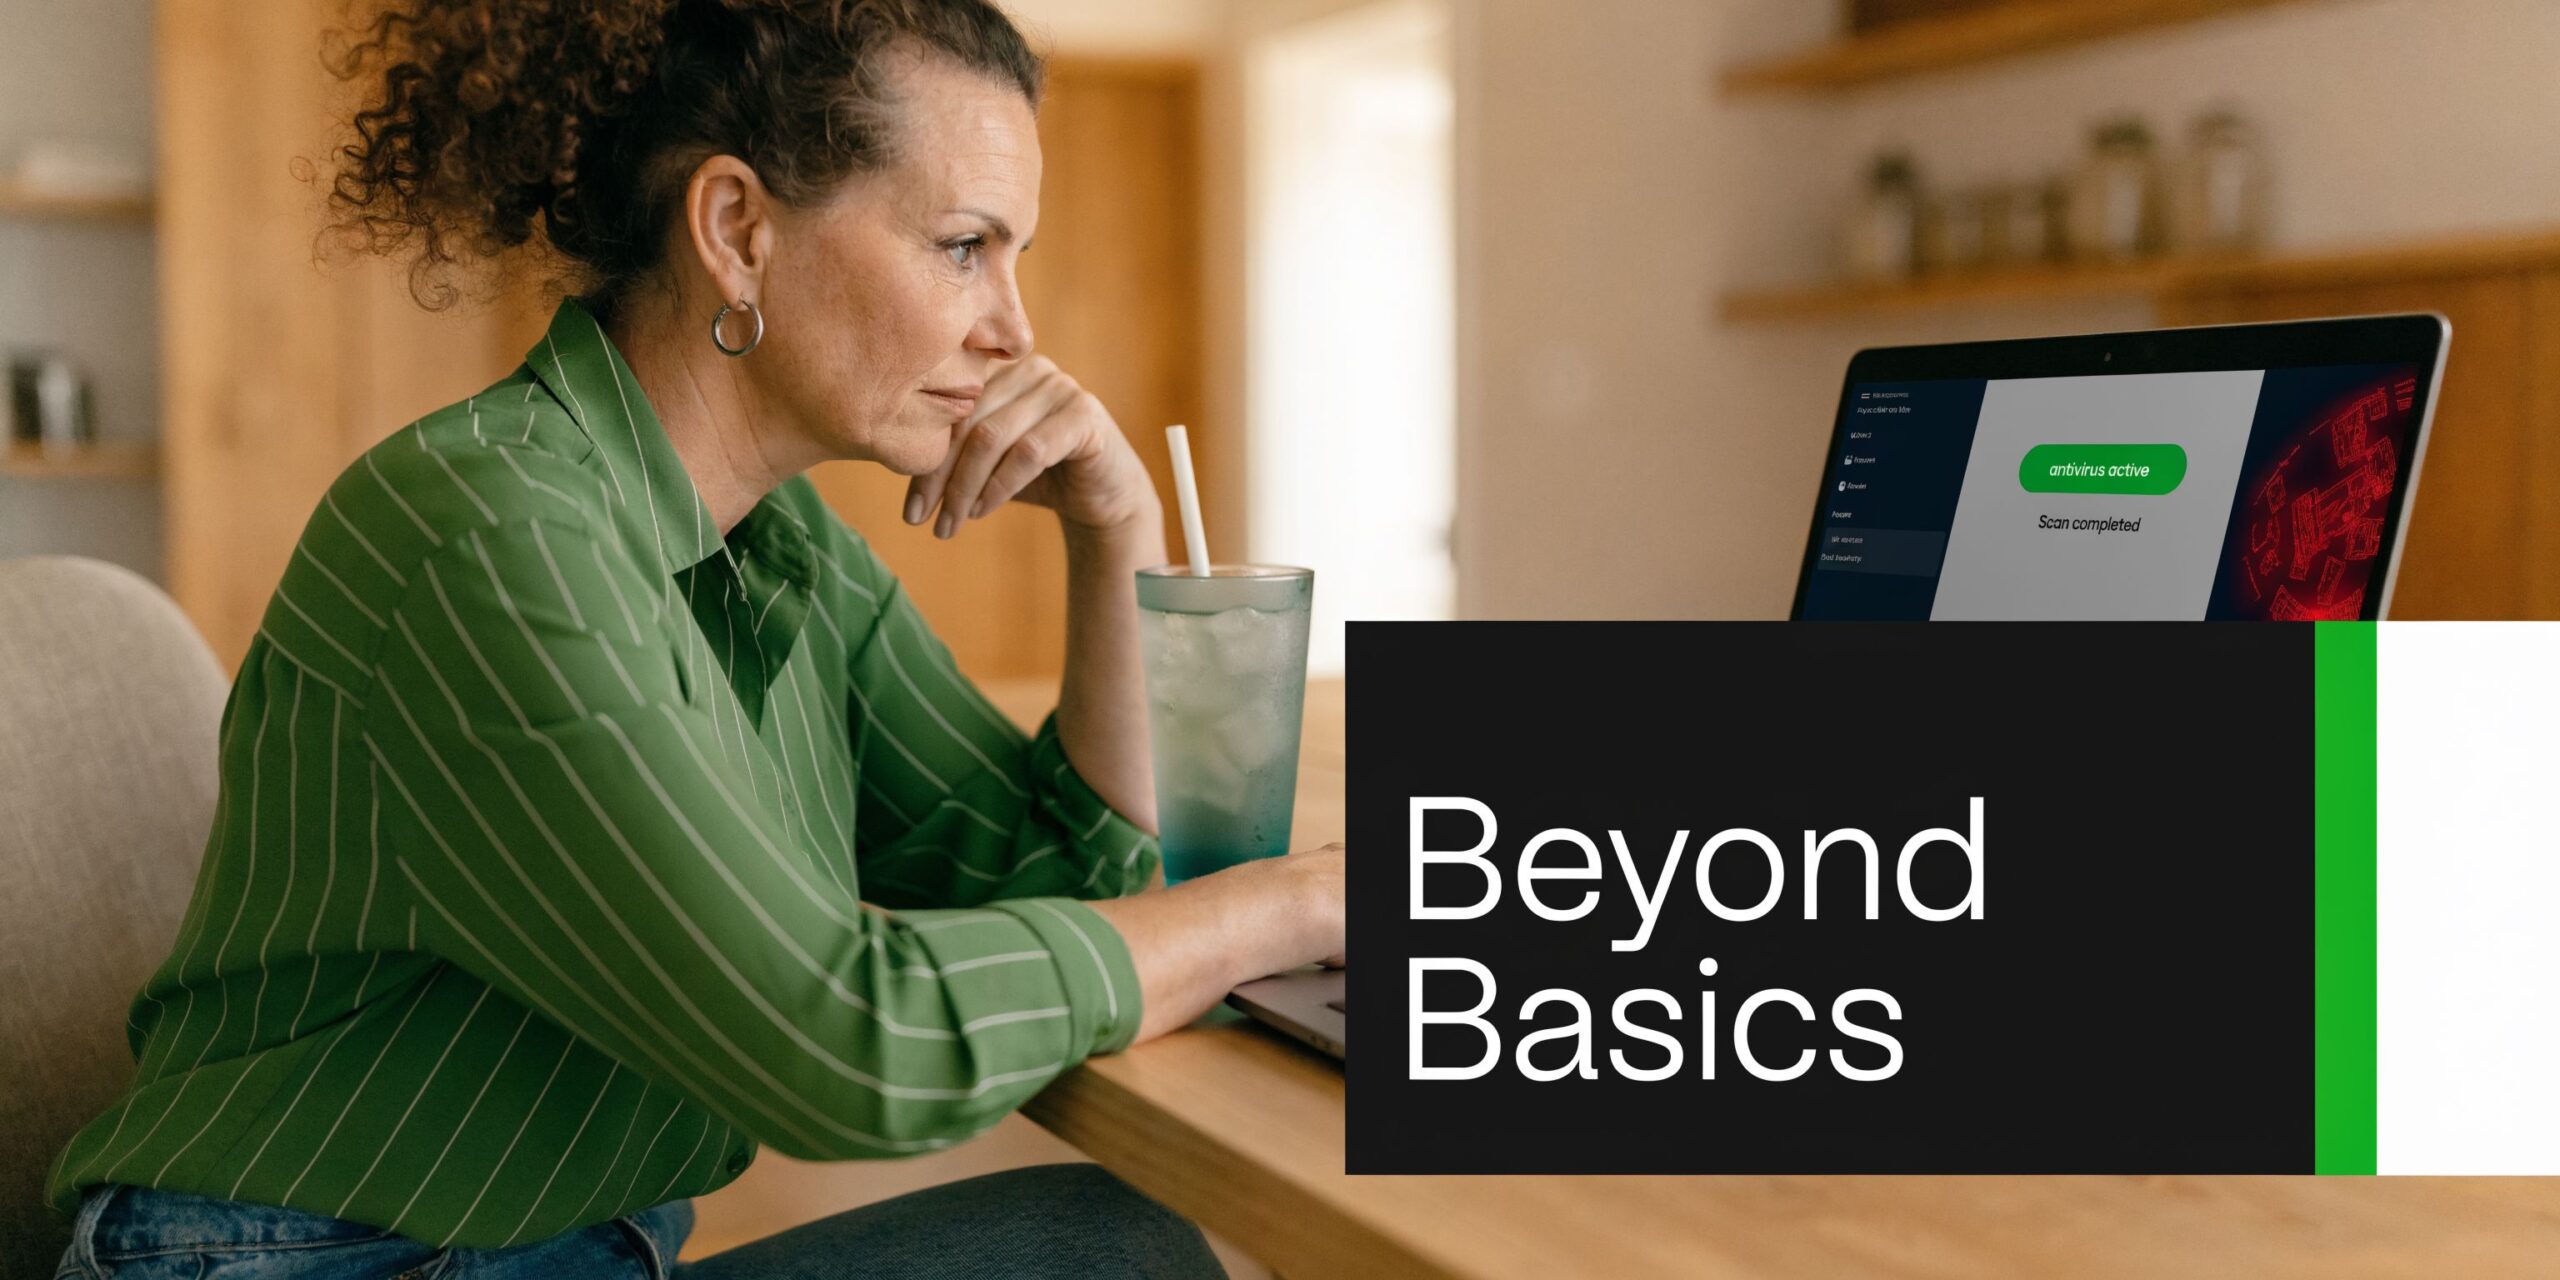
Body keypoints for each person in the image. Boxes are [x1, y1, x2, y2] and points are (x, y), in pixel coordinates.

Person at [46, 1, 1345, 1275]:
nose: (1017, 329)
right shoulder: (487, 536)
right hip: (300, 1264)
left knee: (1101, 1244)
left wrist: (1112, 524)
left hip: (566, 1256)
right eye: (963, 245)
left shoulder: (782, 551)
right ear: (737, 231)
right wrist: (1297, 903)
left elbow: (1072, 879)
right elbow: (847, 1043)